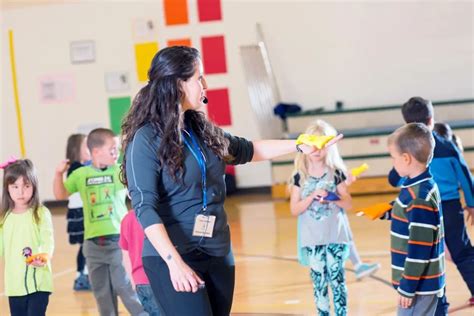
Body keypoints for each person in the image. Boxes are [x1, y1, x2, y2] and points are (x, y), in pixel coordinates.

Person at [120, 46, 340, 315]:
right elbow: (144, 207)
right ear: (177, 84)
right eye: (198, 77)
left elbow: (249, 150)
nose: (205, 84)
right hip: (173, 256)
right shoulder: (144, 139)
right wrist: (174, 263)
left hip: (217, 251)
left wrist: (300, 144)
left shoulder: (200, 130)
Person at [389, 97, 474, 313]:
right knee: (459, 253)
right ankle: (440, 302)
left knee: (431, 253)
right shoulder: (448, 146)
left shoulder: (407, 157)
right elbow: (465, 177)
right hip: (449, 207)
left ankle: (439, 302)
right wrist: (471, 204)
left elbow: (395, 179)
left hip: (427, 207)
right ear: (431, 119)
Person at [53, 128, 146, 316]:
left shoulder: (120, 170)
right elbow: (61, 194)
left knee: (125, 287)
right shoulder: (81, 175)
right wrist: (58, 174)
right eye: (112, 149)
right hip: (93, 245)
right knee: (102, 294)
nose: (116, 153)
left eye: (117, 149)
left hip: (118, 243)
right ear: (96, 152)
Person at [289, 120, 352, 315]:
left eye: (322, 146)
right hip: (313, 240)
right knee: (319, 282)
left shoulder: (336, 173)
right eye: (313, 145)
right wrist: (311, 196)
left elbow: (348, 203)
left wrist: (331, 196)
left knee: (337, 280)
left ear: (330, 147)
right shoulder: (300, 176)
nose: (317, 150)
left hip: (335, 237)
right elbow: (294, 209)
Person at [385, 123, 445, 316]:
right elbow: (415, 221)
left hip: (419, 286)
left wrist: (408, 286)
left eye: (393, 158)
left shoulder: (419, 197)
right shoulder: (420, 187)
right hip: (419, 284)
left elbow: (420, 248)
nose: (393, 163)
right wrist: (391, 211)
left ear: (406, 158)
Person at [0, 158, 54, 316]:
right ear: (7, 188)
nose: (21, 192)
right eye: (15, 186)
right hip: (14, 285)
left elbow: (47, 240)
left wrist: (43, 257)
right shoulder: (4, 218)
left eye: (26, 186)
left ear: (34, 186)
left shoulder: (41, 213)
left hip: (39, 282)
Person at [120, 209, 162, 315]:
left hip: (140, 282)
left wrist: (133, 281)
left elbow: (125, 254)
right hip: (160, 279)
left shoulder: (127, 218)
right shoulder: (159, 213)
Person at [64, 133, 91, 291]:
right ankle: (82, 276)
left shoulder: (79, 166)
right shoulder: (76, 168)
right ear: (76, 149)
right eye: (85, 146)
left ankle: (83, 275)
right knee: (86, 246)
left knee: (85, 246)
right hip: (80, 213)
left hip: (80, 211)